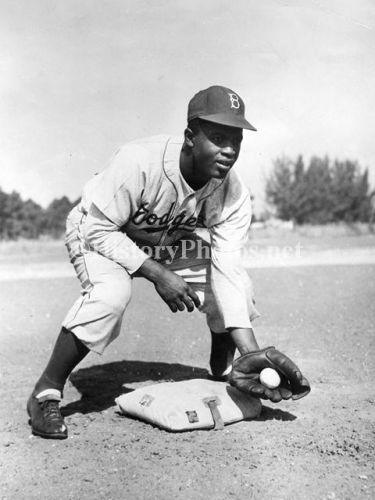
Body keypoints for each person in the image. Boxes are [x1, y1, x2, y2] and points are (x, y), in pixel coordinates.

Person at [27, 85, 310, 440]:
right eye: (218, 137)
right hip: (100, 231)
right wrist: (157, 272)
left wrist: (251, 354)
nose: (229, 150)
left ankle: (227, 372)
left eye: (236, 140)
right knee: (110, 295)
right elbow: (99, 228)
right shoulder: (139, 161)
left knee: (232, 283)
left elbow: (226, 270)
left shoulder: (231, 192)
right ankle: (46, 391)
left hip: (165, 241)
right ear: (190, 137)